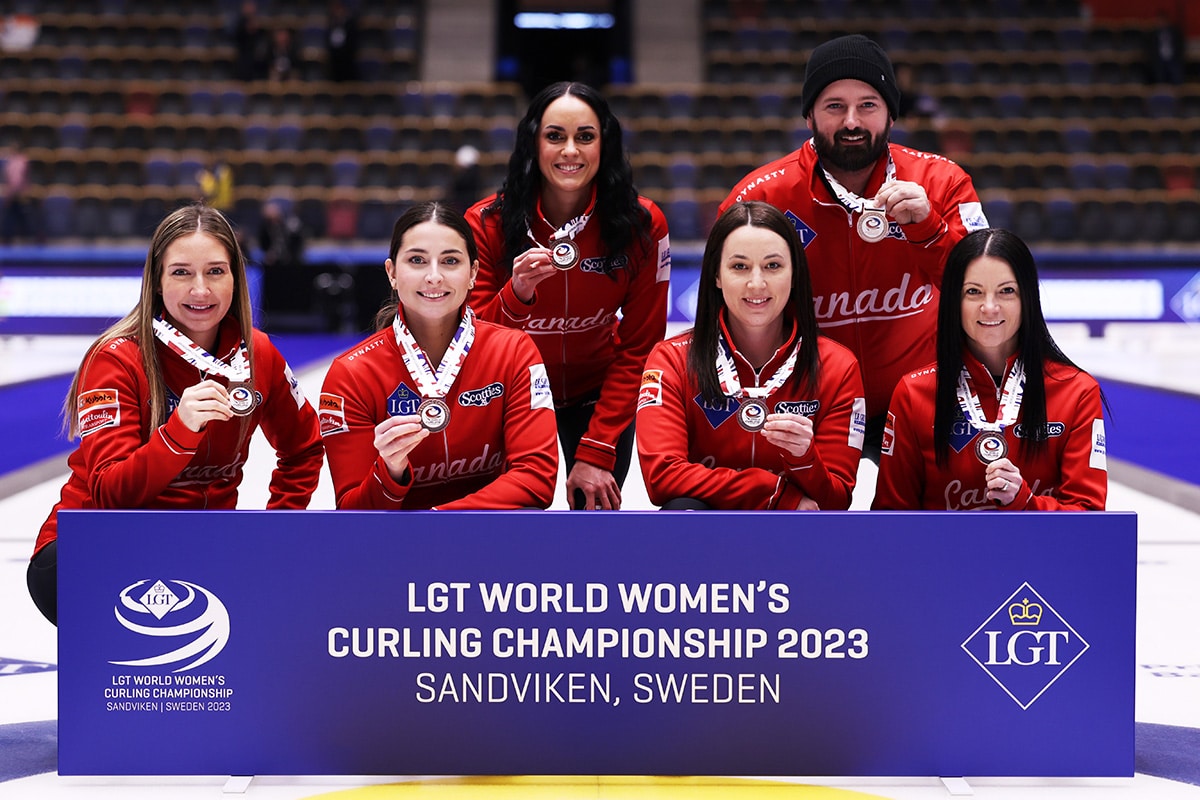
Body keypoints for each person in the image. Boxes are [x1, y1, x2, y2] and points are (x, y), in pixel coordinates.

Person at [27, 205, 325, 626]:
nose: (200, 290)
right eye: (182, 272)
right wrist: (178, 433)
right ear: (157, 280)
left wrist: (278, 527)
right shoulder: (117, 359)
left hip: (203, 547)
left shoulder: (258, 355)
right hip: (97, 547)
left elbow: (304, 448)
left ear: (236, 278)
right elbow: (111, 493)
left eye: (216, 272)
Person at [720, 34, 989, 462]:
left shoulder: (943, 183)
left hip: (922, 400)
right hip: (805, 405)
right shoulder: (762, 198)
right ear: (809, 116)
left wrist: (931, 230)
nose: (851, 122)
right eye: (834, 106)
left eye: (867, 105)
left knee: (939, 526)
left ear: (891, 116)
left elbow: (984, 290)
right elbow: (722, 311)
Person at [465, 81, 671, 511]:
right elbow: (473, 346)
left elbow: (640, 348)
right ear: (533, 143)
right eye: (555, 136)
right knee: (508, 525)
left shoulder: (643, 224)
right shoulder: (485, 223)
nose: (570, 151)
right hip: (511, 395)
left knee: (592, 520)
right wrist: (517, 295)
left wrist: (595, 451)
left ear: (605, 144)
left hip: (598, 394)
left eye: (586, 137)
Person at [319, 201, 558, 510]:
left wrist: (437, 521)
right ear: (392, 272)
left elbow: (536, 479)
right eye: (417, 260)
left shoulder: (514, 352)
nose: (434, 277)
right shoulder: (352, 374)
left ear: (473, 272)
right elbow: (353, 512)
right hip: (399, 553)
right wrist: (390, 471)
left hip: (494, 545)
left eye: (450, 261)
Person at [636, 201, 865, 510]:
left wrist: (805, 459)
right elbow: (662, 476)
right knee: (680, 510)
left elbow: (836, 501)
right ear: (716, 276)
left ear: (795, 274)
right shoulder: (671, 361)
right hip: (708, 537)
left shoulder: (838, 367)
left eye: (773, 266)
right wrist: (774, 492)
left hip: (795, 537)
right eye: (739, 266)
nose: (756, 283)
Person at [872, 229, 1108, 511]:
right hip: (942, 555)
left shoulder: (1076, 391)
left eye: (1006, 291)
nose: (989, 307)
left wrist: (1026, 503)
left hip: (1037, 555)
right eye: (973, 292)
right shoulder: (914, 393)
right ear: (952, 302)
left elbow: (1090, 518)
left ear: (1028, 299)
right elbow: (892, 517)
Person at [324, 0, 360, 82]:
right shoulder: (331, 25)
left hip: (347, 62)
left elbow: (353, 43)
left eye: (338, 9)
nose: (336, 12)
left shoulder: (350, 24)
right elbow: (328, 42)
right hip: (334, 63)